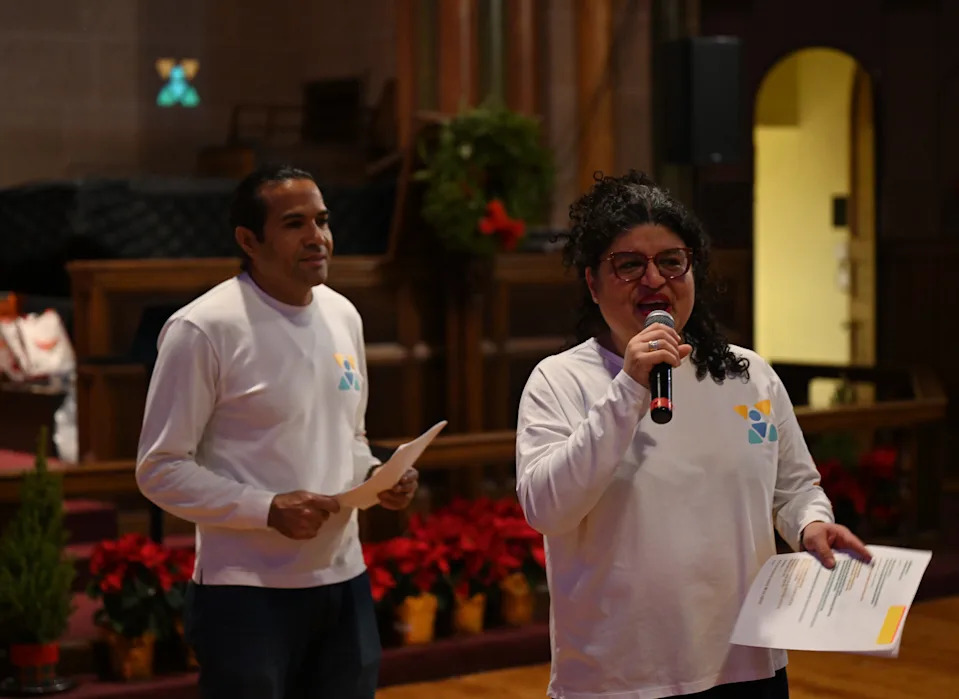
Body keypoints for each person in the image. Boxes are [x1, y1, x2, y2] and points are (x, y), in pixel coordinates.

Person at [515, 171, 871, 699]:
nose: (653, 279)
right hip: (619, 678)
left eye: (671, 261)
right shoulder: (560, 380)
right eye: (629, 265)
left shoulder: (748, 375)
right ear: (592, 283)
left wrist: (811, 524)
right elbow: (546, 509)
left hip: (747, 663)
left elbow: (795, 487)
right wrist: (629, 388)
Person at [136, 164, 418, 699]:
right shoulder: (204, 328)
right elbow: (159, 469)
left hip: (343, 578)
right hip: (246, 592)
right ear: (249, 240)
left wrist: (379, 476)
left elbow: (349, 436)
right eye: (294, 224)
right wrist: (266, 508)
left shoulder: (344, 315)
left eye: (322, 220)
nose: (317, 237)